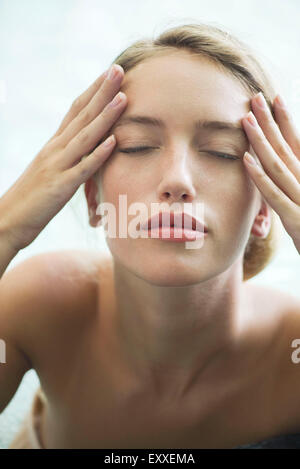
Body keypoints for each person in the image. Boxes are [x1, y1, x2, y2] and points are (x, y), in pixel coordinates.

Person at [0, 22, 300, 449]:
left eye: (221, 152)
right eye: (138, 146)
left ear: (266, 207)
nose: (177, 180)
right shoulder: (41, 304)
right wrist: (6, 228)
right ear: (91, 195)